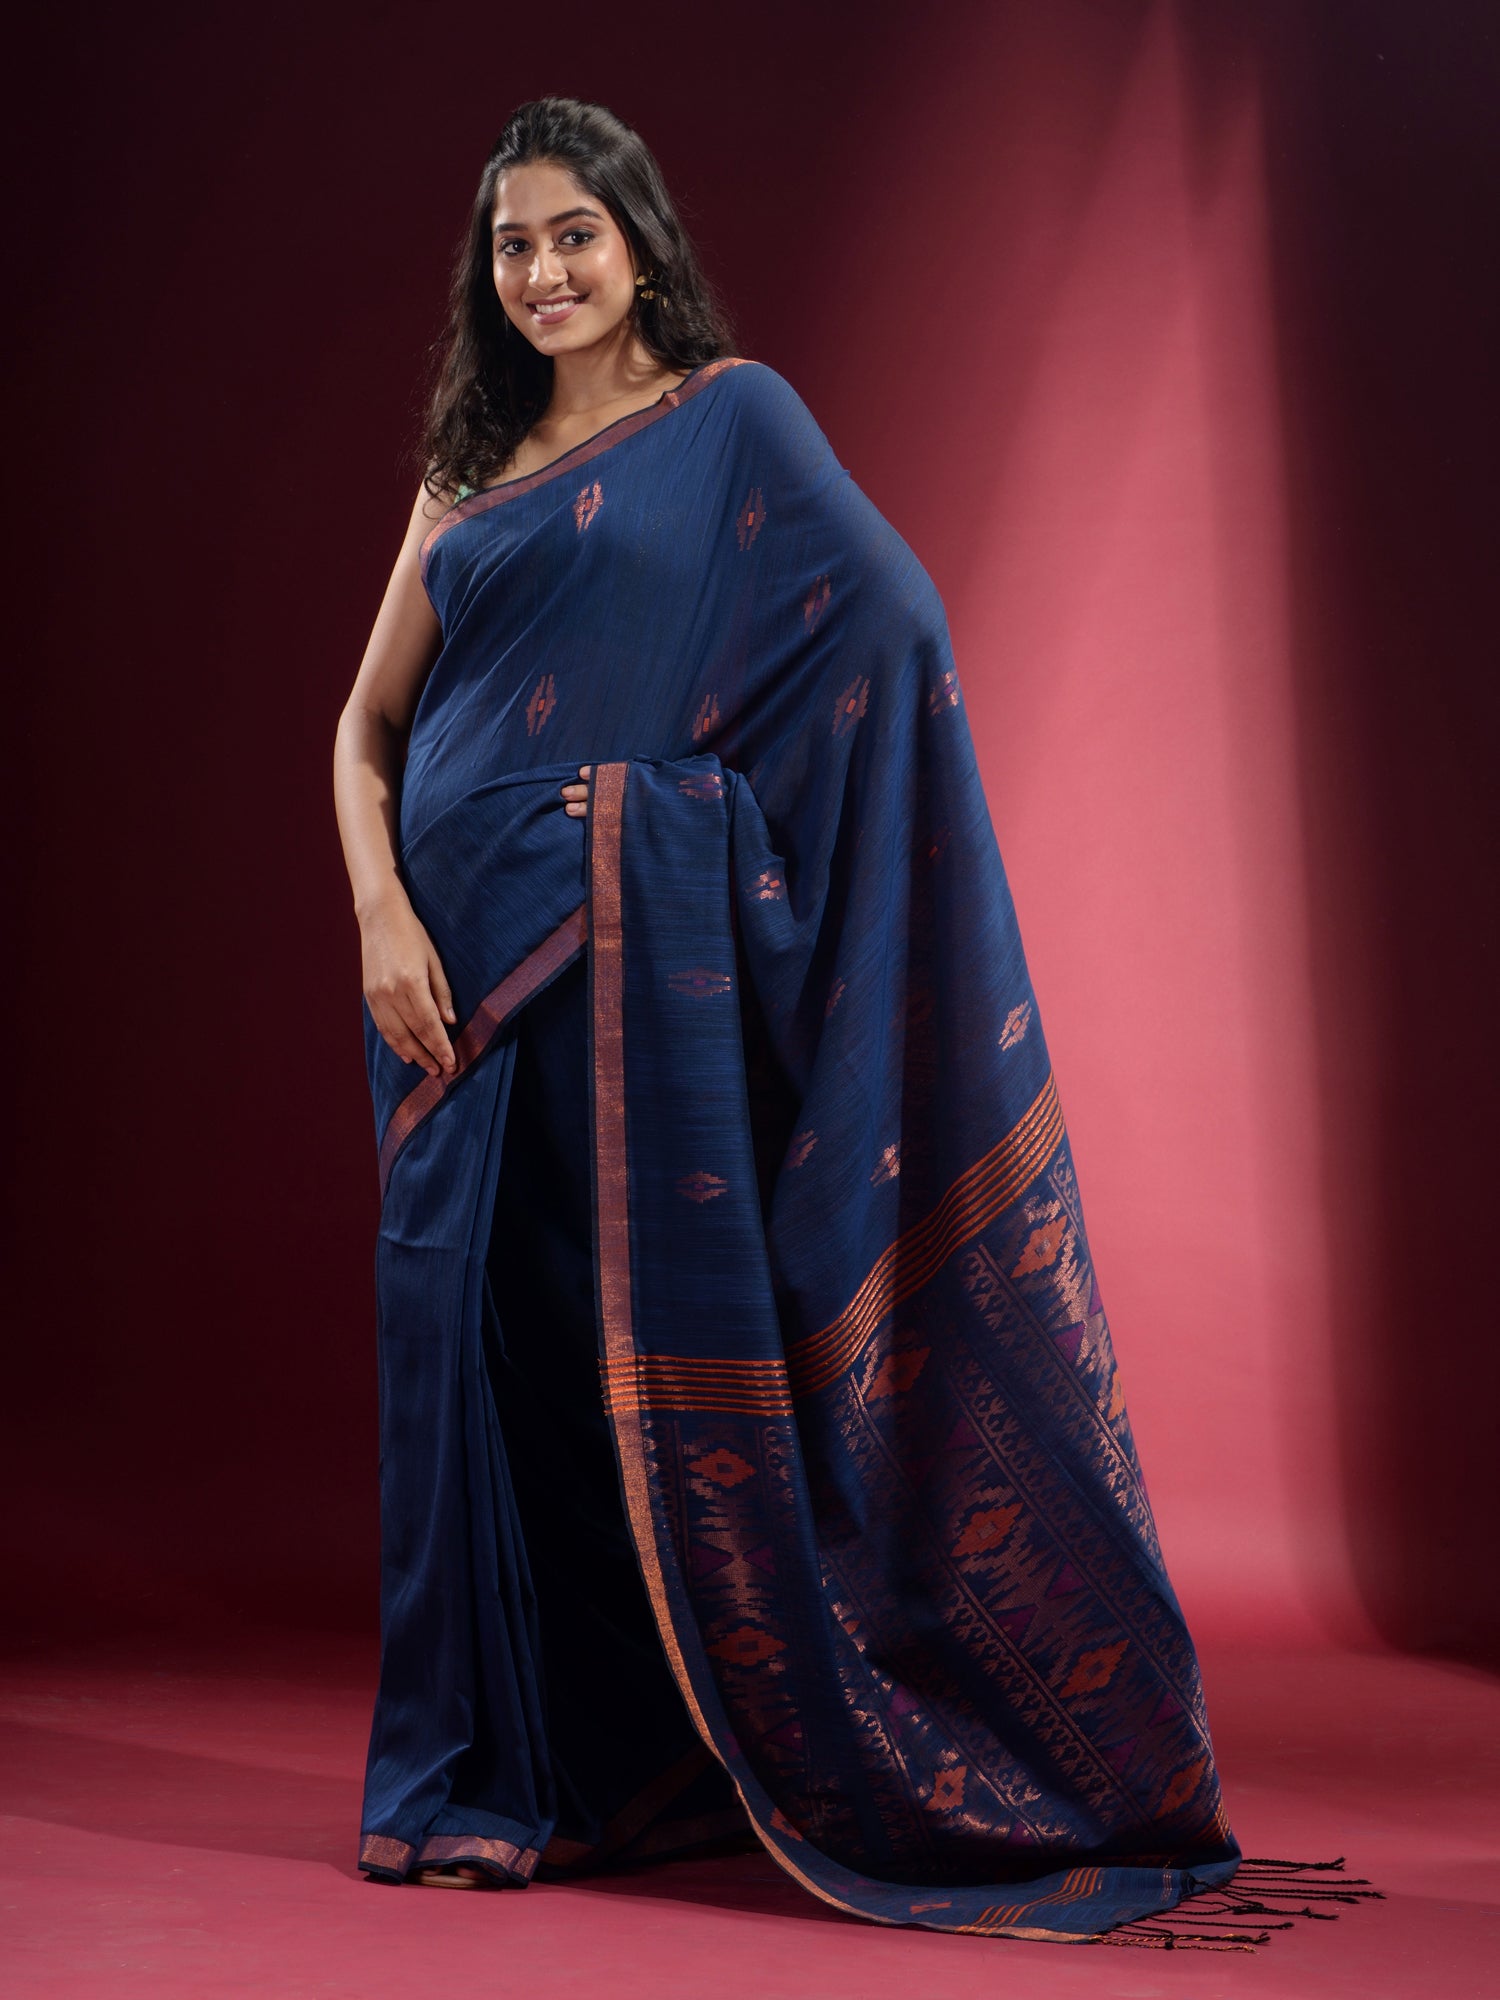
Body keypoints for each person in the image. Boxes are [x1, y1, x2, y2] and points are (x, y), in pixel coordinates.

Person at [331, 94, 1246, 1943]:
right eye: (513, 245)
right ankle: (495, 1775)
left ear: (640, 241)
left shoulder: (734, 421)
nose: (543, 273)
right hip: (445, 995)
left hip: (614, 970)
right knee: (477, 1368)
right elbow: (365, 730)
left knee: (599, 1362)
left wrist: (663, 830)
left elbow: (889, 635)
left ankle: (657, 1761)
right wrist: (379, 917)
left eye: (575, 235)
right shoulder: (468, 466)